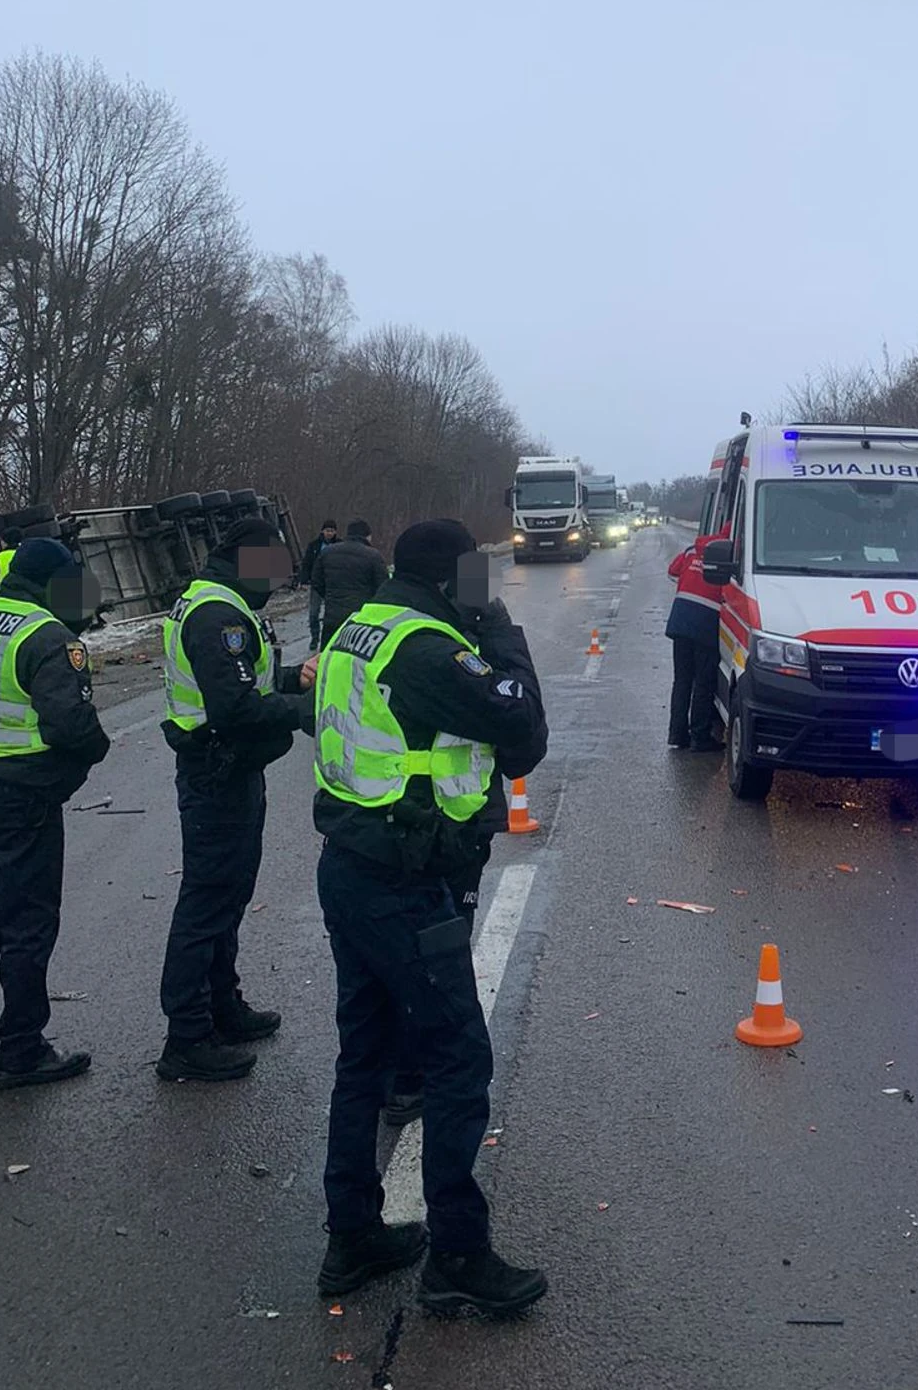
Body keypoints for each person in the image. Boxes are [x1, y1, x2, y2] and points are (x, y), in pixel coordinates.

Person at [313, 519, 549, 1319]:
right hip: (404, 882)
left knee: (366, 1054)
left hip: (351, 864)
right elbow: (522, 734)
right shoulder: (426, 649)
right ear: (453, 580)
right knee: (458, 1057)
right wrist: (502, 630)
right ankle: (456, 1254)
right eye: (476, 579)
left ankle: (352, 1234)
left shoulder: (359, 628)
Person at [157, 517, 316, 1083]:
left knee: (228, 896)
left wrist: (293, 678)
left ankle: (221, 1005)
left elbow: (245, 680)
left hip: (230, 768)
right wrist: (306, 710)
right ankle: (187, 1036)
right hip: (216, 770)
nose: (278, 578)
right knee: (207, 902)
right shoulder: (217, 615)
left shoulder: (222, 602)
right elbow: (235, 708)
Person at [0, 539, 110, 1089]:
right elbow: (70, 726)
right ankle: (21, 1049)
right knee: (28, 922)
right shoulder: (46, 636)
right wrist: (96, 750)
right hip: (22, 797)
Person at [665, 524, 729, 752]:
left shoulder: (693, 549)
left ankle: (677, 734)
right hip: (705, 621)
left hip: (680, 618)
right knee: (703, 681)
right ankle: (700, 737)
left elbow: (672, 572)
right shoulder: (731, 555)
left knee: (682, 680)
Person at [313, 519, 389, 645]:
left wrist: (330, 596)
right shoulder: (374, 556)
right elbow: (383, 587)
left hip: (332, 616)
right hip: (361, 619)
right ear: (367, 536)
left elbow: (316, 580)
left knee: (328, 653)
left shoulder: (327, 552)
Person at [301, 519, 340, 648]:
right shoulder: (314, 546)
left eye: (332, 531)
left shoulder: (340, 545)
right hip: (317, 583)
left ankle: (331, 638)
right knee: (313, 613)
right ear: (322, 531)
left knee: (332, 613)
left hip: (333, 583)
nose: (329, 533)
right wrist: (303, 579)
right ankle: (314, 637)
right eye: (327, 530)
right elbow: (307, 563)